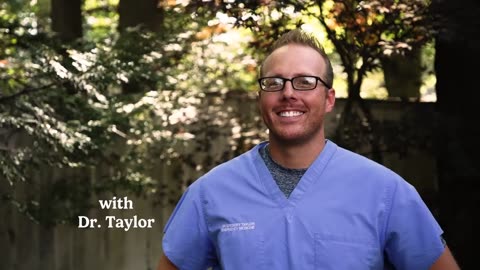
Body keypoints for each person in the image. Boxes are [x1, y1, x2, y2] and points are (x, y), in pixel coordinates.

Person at [157, 29, 460, 270]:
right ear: (261, 97)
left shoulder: (386, 192)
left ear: (329, 99)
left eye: (304, 82)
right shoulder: (211, 193)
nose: (288, 93)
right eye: (274, 82)